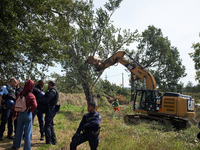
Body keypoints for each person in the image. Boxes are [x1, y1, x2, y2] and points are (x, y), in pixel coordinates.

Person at [12, 79, 37, 150]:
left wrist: (14, 114)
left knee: (18, 130)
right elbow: (35, 105)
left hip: (20, 114)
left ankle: (16, 145)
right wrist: (30, 110)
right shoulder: (31, 95)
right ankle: (27, 148)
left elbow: (15, 105)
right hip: (27, 114)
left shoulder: (20, 94)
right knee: (28, 132)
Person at [37, 81, 59, 145]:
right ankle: (54, 141)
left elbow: (47, 100)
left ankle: (48, 142)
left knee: (47, 126)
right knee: (50, 125)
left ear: (50, 84)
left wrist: (39, 101)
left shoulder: (52, 91)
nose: (47, 86)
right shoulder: (53, 90)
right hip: (51, 109)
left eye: (48, 85)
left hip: (51, 109)